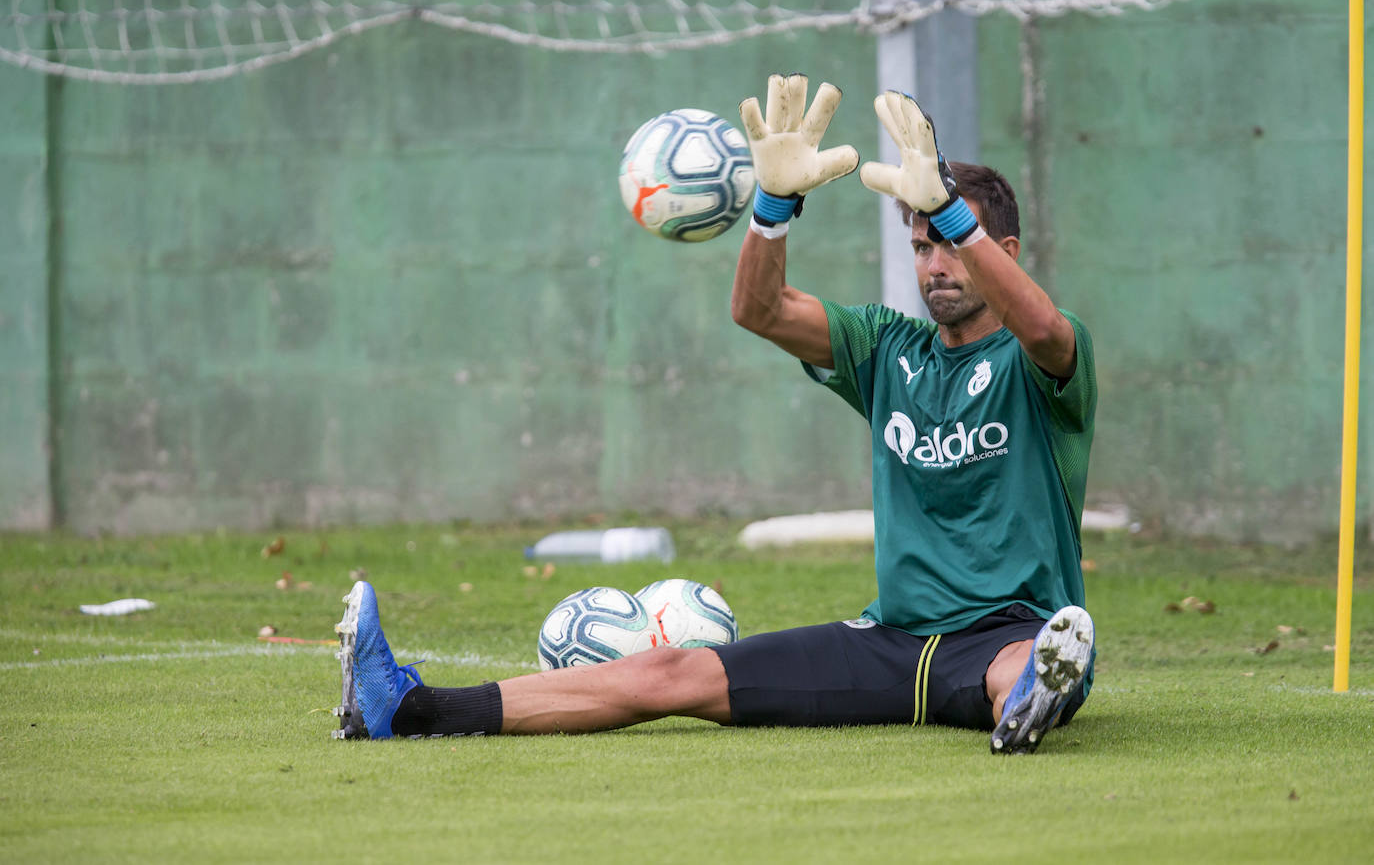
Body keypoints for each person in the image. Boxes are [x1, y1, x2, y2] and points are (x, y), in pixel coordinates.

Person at [331, 74, 1097, 754]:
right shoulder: (885, 346)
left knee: (1021, 663)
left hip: (1009, 629)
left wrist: (952, 215)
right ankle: (407, 708)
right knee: (670, 671)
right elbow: (758, 310)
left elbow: (1041, 329)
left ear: (1006, 249)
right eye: (923, 244)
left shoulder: (1045, 362)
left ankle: (1037, 688)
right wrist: (771, 208)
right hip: (893, 643)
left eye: (951, 244)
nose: (935, 263)